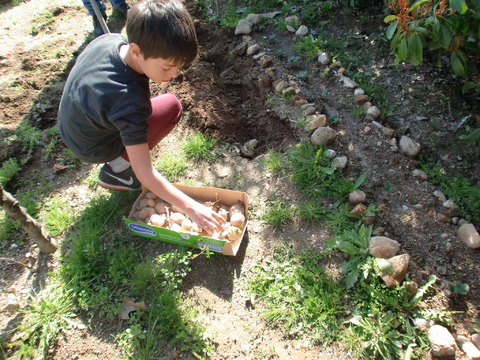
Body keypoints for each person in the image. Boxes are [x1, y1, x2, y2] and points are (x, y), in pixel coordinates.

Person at [58, 0, 225, 234]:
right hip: (92, 147)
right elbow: (145, 172)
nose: (175, 74)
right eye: (167, 67)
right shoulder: (128, 100)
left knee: (159, 108)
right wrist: (192, 208)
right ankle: (117, 171)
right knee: (172, 108)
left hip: (72, 127)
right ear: (137, 51)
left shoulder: (109, 41)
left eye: (179, 67)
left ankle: (118, 155)